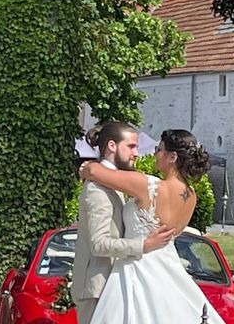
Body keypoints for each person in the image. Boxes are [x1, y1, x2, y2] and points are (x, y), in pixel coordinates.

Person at [78, 129, 224, 324]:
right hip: (169, 270)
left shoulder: (149, 185)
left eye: (159, 149)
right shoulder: (191, 197)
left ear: (172, 157)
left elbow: (95, 171)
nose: (155, 154)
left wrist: (84, 168)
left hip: (137, 267)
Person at [71, 122, 175, 324]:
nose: (136, 153)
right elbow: (99, 244)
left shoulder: (112, 182)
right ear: (112, 146)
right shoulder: (97, 189)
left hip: (113, 285)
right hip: (95, 289)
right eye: (131, 146)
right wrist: (143, 245)